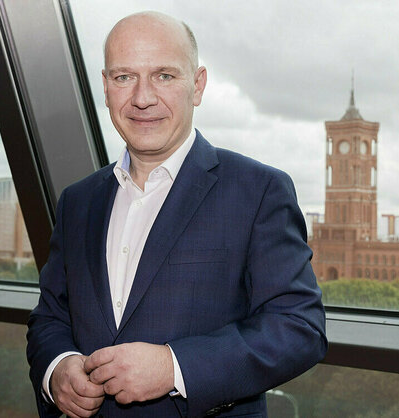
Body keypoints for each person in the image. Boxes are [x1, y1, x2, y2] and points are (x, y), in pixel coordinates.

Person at [26, 11, 327, 418]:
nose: (142, 97)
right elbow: (50, 316)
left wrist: (174, 367)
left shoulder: (258, 190)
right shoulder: (77, 201)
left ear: (197, 85)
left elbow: (299, 329)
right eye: (123, 77)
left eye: (164, 76)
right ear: (105, 86)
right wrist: (57, 368)